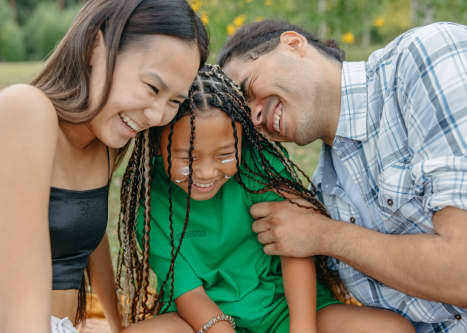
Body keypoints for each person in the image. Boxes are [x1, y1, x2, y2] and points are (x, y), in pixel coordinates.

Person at [217, 20, 467, 332]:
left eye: (248, 88)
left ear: (293, 45)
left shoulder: (425, 57)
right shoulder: (322, 194)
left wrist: (325, 236)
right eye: (244, 117)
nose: (254, 117)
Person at [117, 64, 415, 333]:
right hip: (205, 319)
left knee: (392, 329)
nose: (207, 172)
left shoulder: (260, 169)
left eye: (224, 155)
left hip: (283, 308)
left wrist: (302, 328)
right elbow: (187, 291)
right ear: (157, 146)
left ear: (242, 140)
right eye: (187, 157)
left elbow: (295, 249)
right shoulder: (150, 197)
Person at [0, 0, 208, 332]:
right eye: (152, 87)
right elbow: (20, 284)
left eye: (173, 101)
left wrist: (117, 324)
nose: (155, 116)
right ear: (96, 47)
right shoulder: (26, 109)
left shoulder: (106, 142)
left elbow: (89, 234)